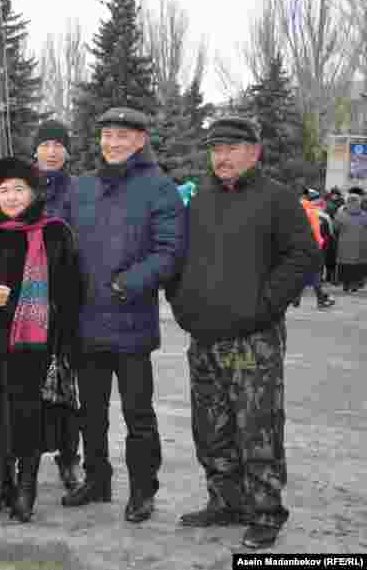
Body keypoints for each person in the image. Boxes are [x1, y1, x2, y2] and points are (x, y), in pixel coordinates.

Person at [167, 117, 319, 549]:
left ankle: (265, 512)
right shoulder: (200, 200)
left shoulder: (277, 199)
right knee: (210, 426)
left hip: (251, 340)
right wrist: (182, 303)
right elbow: (179, 258)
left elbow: (303, 256)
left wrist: (263, 306)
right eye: (216, 149)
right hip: (204, 336)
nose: (223, 157)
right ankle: (225, 502)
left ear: (255, 152)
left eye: (232, 148)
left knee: (257, 426)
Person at [62, 106, 185, 524]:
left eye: (122, 136)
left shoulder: (159, 188)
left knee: (138, 414)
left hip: (131, 321)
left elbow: (169, 251)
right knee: (90, 412)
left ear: (140, 140)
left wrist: (127, 283)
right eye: (107, 135)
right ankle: (97, 479)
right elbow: (61, 242)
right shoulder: (82, 187)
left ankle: (142, 490)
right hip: (86, 322)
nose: (112, 143)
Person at [0, 157, 82, 523]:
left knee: (29, 418)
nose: (11, 197)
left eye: (19, 190)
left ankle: (26, 488)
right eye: (4, 190)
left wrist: (62, 334)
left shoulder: (55, 233)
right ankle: (0, 485)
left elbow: (73, 290)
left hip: (36, 344)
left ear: (34, 193)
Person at [32, 118, 83, 491]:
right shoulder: (21, 186)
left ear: (67, 152)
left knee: (65, 384)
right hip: (25, 297)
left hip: (64, 299)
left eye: (58, 145)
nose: (51, 152)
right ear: (35, 150)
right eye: (45, 145)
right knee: (20, 383)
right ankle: (12, 456)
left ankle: (68, 458)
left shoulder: (78, 191)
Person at [293, 189, 334, 309]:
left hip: (297, 247)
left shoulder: (295, 210)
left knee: (301, 272)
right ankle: (321, 299)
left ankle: (296, 299)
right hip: (313, 247)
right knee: (315, 273)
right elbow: (323, 233)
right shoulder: (317, 214)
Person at [333, 189, 367, 292]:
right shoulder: (365, 215)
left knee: (345, 265)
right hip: (361, 246)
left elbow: (335, 228)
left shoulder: (340, 215)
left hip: (344, 246)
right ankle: (356, 284)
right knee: (358, 265)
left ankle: (346, 284)